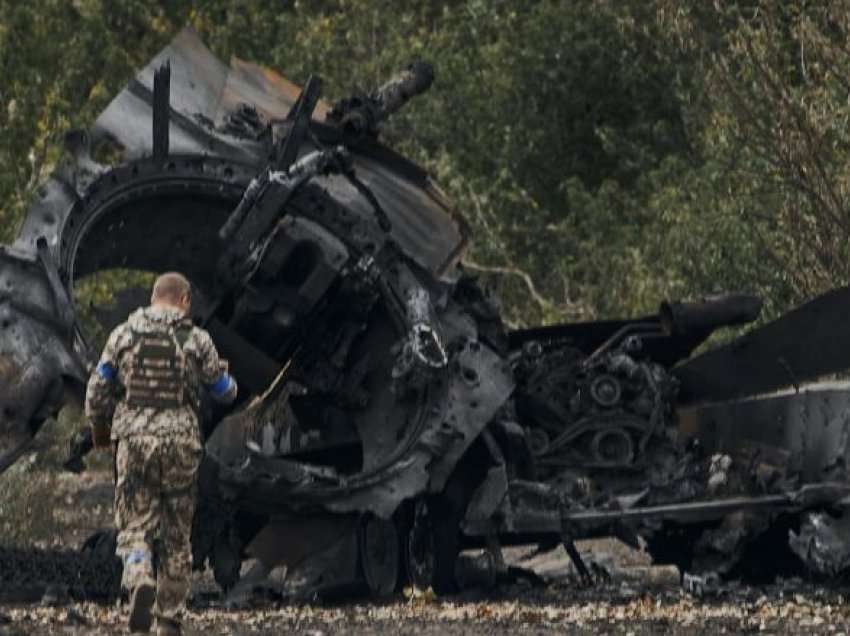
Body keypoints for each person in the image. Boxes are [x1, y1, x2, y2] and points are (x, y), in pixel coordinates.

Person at [85, 272, 237, 635]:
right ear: (184, 300)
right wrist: (225, 379)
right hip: (181, 444)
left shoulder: (123, 335)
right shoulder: (197, 339)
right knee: (176, 533)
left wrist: (102, 430)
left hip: (135, 441)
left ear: (154, 298)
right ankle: (168, 619)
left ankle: (138, 576)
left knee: (136, 524)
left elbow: (97, 390)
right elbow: (223, 391)